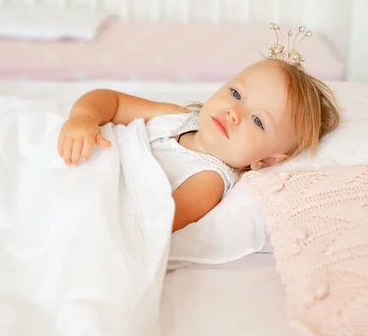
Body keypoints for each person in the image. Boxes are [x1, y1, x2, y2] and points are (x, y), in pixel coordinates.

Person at [57, 24, 340, 232]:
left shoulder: (208, 180)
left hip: (91, 202)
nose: (234, 112)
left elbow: (153, 223)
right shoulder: (179, 118)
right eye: (236, 94)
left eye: (257, 121)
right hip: (75, 158)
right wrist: (83, 118)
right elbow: (113, 102)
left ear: (265, 160)